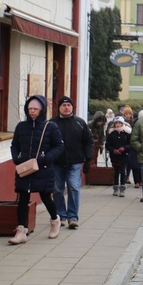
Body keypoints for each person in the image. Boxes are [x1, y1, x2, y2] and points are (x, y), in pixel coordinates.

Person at [9, 95, 64, 244]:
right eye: (30, 109)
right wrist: (16, 158)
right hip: (24, 167)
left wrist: (46, 159)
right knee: (23, 199)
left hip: (43, 168)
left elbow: (59, 146)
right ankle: (21, 231)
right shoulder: (21, 126)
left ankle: (55, 220)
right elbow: (15, 145)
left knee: (46, 196)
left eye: (35, 109)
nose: (32, 111)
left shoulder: (50, 126)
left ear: (41, 110)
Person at [51, 96, 94, 230]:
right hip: (57, 162)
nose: (66, 107)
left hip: (74, 162)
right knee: (57, 190)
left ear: (72, 107)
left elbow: (88, 141)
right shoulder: (52, 124)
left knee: (74, 188)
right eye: (63, 105)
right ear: (59, 108)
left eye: (69, 105)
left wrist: (88, 159)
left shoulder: (80, 123)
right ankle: (60, 215)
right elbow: (46, 143)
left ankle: (73, 217)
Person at [106, 115, 132, 197]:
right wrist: (113, 150)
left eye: (119, 123)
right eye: (116, 123)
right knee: (116, 172)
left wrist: (124, 148)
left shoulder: (127, 133)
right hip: (114, 156)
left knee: (123, 171)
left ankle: (122, 188)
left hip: (124, 155)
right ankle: (115, 188)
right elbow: (108, 145)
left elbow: (130, 144)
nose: (118, 125)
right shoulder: (111, 133)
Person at [122, 106, 142, 188]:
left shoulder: (134, 122)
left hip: (135, 146)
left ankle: (139, 180)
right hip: (130, 146)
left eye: (129, 113)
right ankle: (128, 177)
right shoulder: (131, 124)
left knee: (138, 165)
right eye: (126, 113)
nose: (128, 115)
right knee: (132, 164)